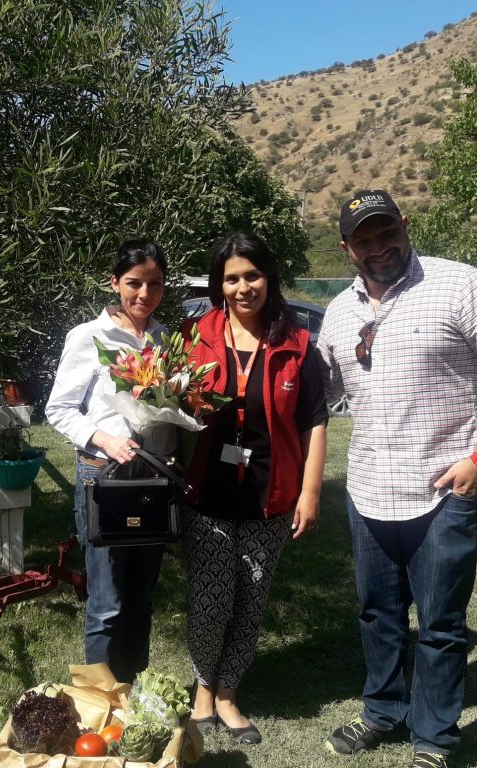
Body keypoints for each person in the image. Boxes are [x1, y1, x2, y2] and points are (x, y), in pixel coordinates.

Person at [317, 190, 477, 768]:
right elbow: (328, 393)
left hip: (445, 491)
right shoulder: (340, 311)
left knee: (440, 623)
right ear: (346, 248)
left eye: (385, 232)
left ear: (405, 226)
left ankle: (433, 736)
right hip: (368, 491)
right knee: (376, 614)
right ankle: (382, 711)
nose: (377, 247)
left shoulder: (461, 285)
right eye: (362, 239)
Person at [182, 231, 328, 745]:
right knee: (211, 599)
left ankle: (227, 692)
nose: (243, 287)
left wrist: (311, 493)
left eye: (252, 275)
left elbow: (314, 421)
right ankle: (202, 687)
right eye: (231, 278)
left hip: (272, 495)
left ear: (269, 277)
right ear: (218, 284)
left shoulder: (299, 344)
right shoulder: (194, 337)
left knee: (251, 599)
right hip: (208, 493)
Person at [44, 238, 171, 683]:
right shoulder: (88, 336)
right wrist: (104, 440)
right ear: (115, 283)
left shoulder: (162, 337)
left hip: (152, 480)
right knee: (107, 602)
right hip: (104, 476)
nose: (144, 295)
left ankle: (133, 690)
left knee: (142, 596)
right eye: (134, 283)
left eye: (155, 284)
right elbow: (58, 410)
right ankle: (100, 698)